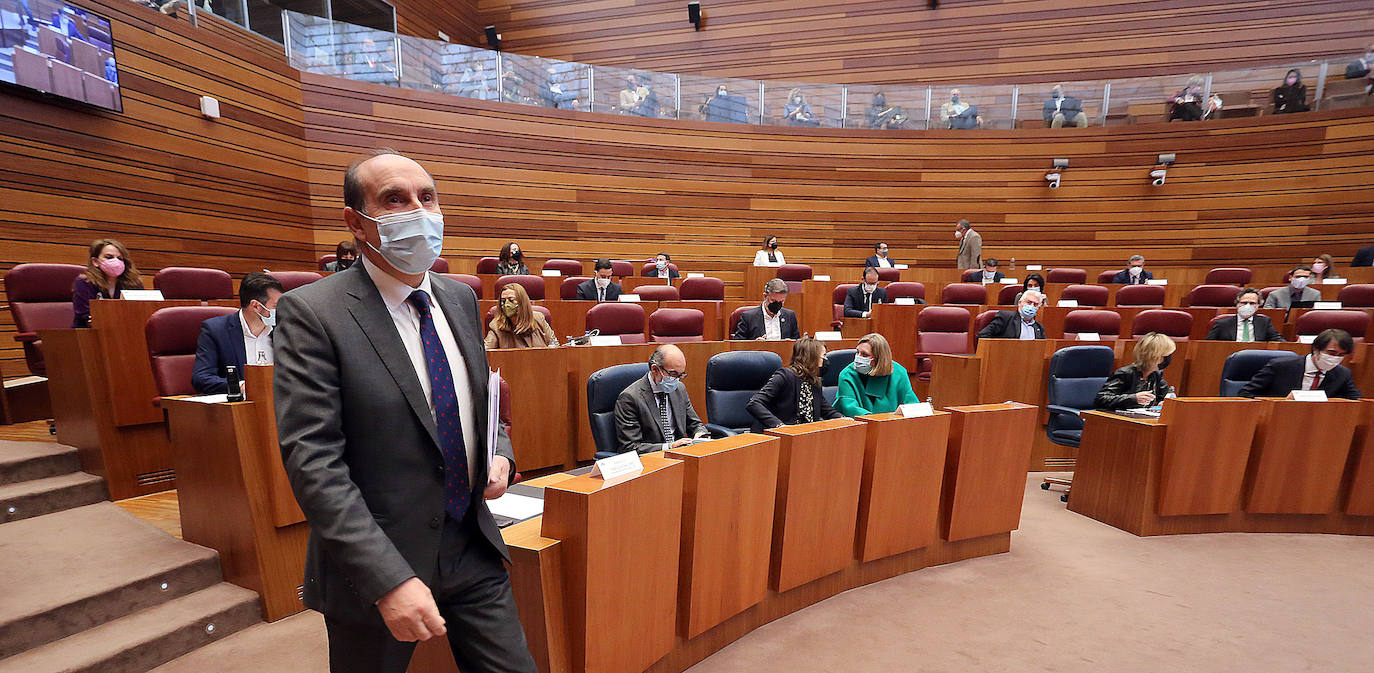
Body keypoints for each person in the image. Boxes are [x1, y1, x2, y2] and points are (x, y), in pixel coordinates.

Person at [273, 150, 537, 673]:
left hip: (471, 543)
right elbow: (314, 462)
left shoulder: (460, 298)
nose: (417, 210)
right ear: (356, 221)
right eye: (394, 199)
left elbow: (482, 401)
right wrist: (386, 579)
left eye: (427, 197)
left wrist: (499, 452)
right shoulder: (312, 314)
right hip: (377, 563)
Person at [192, 272, 283, 394]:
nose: (281, 310)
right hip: (241, 407)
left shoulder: (283, 330)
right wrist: (242, 386)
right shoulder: (216, 330)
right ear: (256, 306)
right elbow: (201, 378)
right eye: (276, 306)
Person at [613, 344, 709, 454]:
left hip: (681, 456)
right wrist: (669, 446)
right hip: (653, 461)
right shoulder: (630, 398)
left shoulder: (679, 389)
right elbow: (630, 447)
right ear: (655, 369)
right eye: (673, 374)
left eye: (681, 375)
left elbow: (695, 424)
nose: (677, 380)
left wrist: (700, 435)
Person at [746, 337, 843, 431]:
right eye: (824, 356)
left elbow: (826, 410)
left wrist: (844, 420)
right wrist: (779, 426)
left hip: (803, 435)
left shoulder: (814, 381)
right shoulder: (785, 376)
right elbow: (754, 403)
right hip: (775, 436)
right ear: (812, 357)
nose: (826, 360)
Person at [1240, 329, 1361, 400]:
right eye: (1331, 353)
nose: (1335, 358)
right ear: (1316, 349)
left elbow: (1356, 402)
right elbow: (1245, 394)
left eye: (1341, 355)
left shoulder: (1342, 374)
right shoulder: (1280, 366)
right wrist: (1281, 401)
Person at [833, 333, 918, 417]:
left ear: (879, 359)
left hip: (893, 426)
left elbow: (912, 405)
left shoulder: (899, 372)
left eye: (864, 355)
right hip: (859, 426)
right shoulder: (847, 374)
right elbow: (849, 407)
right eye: (857, 352)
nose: (858, 357)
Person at [72, 238, 143, 328]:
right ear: (95, 261)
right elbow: (85, 316)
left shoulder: (134, 283)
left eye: (120, 258)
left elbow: (141, 313)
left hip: (126, 331)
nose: (116, 261)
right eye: (109, 257)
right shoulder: (85, 282)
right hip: (89, 334)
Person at [1094, 333, 1176, 410]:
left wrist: (1162, 404)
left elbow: (1163, 398)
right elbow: (1101, 400)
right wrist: (1134, 398)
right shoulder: (1125, 373)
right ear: (1152, 356)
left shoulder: (1156, 376)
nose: (1167, 359)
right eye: (1164, 356)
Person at [484, 283, 557, 349]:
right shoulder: (496, 326)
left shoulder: (539, 318)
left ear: (522, 302)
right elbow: (486, 352)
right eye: (503, 301)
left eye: (511, 300)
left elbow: (554, 345)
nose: (506, 304)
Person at [1205, 288, 1284, 342]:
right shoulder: (1222, 324)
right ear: (1237, 304)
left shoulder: (1264, 322)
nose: (1247, 306)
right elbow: (1208, 344)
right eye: (1244, 303)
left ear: (1258, 306)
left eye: (1252, 303)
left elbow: (1277, 339)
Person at [734, 278, 799, 341]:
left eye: (781, 301)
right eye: (773, 300)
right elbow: (738, 345)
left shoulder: (790, 316)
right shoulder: (748, 317)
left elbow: (797, 343)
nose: (777, 304)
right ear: (765, 296)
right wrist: (754, 344)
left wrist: (790, 344)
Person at [977, 290, 1046, 340]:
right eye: (1029, 302)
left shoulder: (1039, 327)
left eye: (1035, 304)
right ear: (1019, 303)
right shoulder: (1005, 317)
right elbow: (983, 336)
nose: (1031, 306)